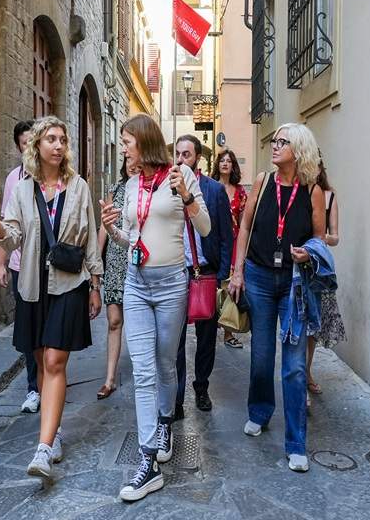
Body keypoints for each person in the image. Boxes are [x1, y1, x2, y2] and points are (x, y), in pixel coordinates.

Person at [0, 116, 103, 478]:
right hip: (33, 286)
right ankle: (56, 430)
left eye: (62, 139)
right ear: (37, 145)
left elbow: (89, 237)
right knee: (40, 356)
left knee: (53, 362)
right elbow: (11, 238)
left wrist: (95, 285)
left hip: (68, 284)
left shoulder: (78, 187)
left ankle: (43, 449)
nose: (58, 144)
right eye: (51, 138)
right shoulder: (21, 190)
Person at [100, 114, 210, 502]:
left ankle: (165, 421)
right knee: (143, 369)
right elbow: (132, 236)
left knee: (166, 364)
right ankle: (148, 460)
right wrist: (112, 228)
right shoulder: (130, 185)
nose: (124, 148)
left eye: (127, 142)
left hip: (170, 285)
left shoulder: (181, 176)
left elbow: (207, 229)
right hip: (136, 282)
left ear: (144, 142)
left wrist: (188, 196)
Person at [228, 122, 325, 473]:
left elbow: (319, 240)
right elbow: (244, 230)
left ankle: (297, 444)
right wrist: (237, 271)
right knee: (262, 354)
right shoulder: (263, 182)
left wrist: (307, 255)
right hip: (257, 276)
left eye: (281, 142)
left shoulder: (312, 191)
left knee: (296, 365)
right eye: (274, 140)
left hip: (294, 283)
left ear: (297, 149)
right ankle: (259, 411)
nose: (274, 146)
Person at [174, 135, 232, 417]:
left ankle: (201, 387)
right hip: (176, 272)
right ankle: (176, 397)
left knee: (206, 337)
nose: (181, 159)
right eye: (177, 154)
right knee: (175, 337)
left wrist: (222, 274)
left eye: (186, 154)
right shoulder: (168, 188)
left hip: (206, 272)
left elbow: (224, 234)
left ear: (197, 157)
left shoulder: (213, 190)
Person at [0, 120, 41, 414]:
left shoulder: (50, 178)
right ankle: (34, 387)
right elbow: (5, 224)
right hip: (19, 265)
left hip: (44, 267)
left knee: (45, 327)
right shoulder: (13, 179)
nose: (28, 148)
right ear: (18, 147)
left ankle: (50, 375)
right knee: (27, 330)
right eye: (23, 144)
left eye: (31, 142)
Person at [95, 157, 139, 399]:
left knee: (139, 323)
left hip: (139, 261)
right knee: (114, 320)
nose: (132, 163)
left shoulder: (147, 188)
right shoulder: (115, 189)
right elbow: (105, 225)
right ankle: (110, 379)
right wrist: (96, 263)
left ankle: (145, 375)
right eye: (128, 159)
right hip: (114, 261)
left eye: (136, 158)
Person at [306, 156, 345, 396]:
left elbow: (335, 237)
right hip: (295, 265)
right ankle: (298, 376)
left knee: (313, 325)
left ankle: (306, 372)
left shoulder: (329, 196)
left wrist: (319, 238)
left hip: (317, 267)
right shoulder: (296, 191)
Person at [211, 148, 248, 349]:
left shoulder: (240, 192)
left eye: (229, 161)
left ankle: (228, 331)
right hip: (214, 242)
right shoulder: (209, 187)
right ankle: (209, 325)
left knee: (230, 287)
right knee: (214, 285)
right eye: (222, 161)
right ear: (217, 165)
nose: (225, 164)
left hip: (233, 242)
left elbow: (244, 224)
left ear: (233, 166)